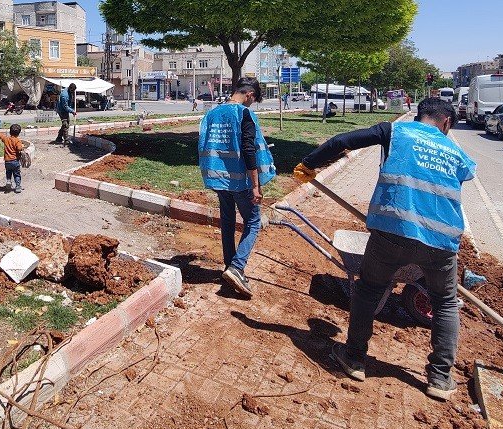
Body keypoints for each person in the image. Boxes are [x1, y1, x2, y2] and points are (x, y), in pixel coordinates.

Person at [293, 97, 476, 401]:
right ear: (446, 123)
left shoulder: (395, 131)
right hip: (441, 243)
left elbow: (341, 141)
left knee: (369, 290)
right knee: (444, 303)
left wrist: (309, 163)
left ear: (420, 116)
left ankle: (354, 358)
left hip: (393, 233)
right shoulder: (457, 153)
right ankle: (440, 378)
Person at [198, 77, 277, 298]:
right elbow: (249, 150)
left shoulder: (212, 114)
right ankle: (237, 267)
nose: (251, 104)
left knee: (228, 221)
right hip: (240, 181)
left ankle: (228, 266)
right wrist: (256, 186)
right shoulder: (243, 114)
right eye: (252, 100)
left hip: (218, 178)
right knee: (253, 221)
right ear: (250, 94)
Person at [0, 123, 28, 193]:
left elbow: (1, 136)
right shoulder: (17, 140)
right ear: (18, 133)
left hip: (7, 161)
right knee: (17, 174)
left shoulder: (6, 139)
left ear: (10, 132)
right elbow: (19, 148)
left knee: (8, 172)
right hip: (15, 161)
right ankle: (18, 186)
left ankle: (8, 181)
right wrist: (22, 148)